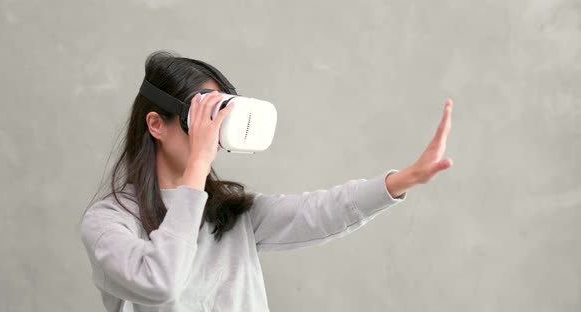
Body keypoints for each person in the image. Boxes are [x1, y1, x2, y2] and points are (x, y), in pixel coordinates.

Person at [79, 50, 453, 312]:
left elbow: (320, 211)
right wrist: (198, 165)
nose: (212, 129)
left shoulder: (231, 214)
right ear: (157, 124)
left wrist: (403, 180)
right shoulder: (109, 222)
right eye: (202, 113)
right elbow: (159, 282)